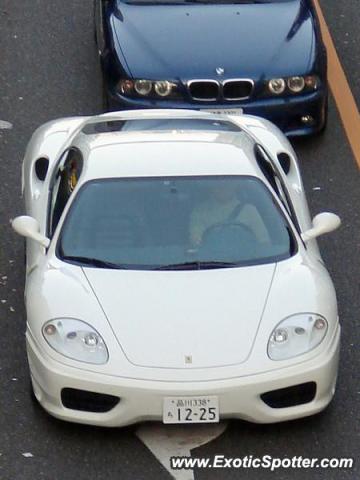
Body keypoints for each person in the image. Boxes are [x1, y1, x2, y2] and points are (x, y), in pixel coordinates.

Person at [189, 181, 270, 247]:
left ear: (235, 186)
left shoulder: (249, 210)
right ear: (211, 187)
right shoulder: (200, 211)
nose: (223, 187)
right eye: (218, 184)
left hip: (247, 262)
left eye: (227, 184)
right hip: (211, 262)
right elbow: (196, 242)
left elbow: (264, 243)